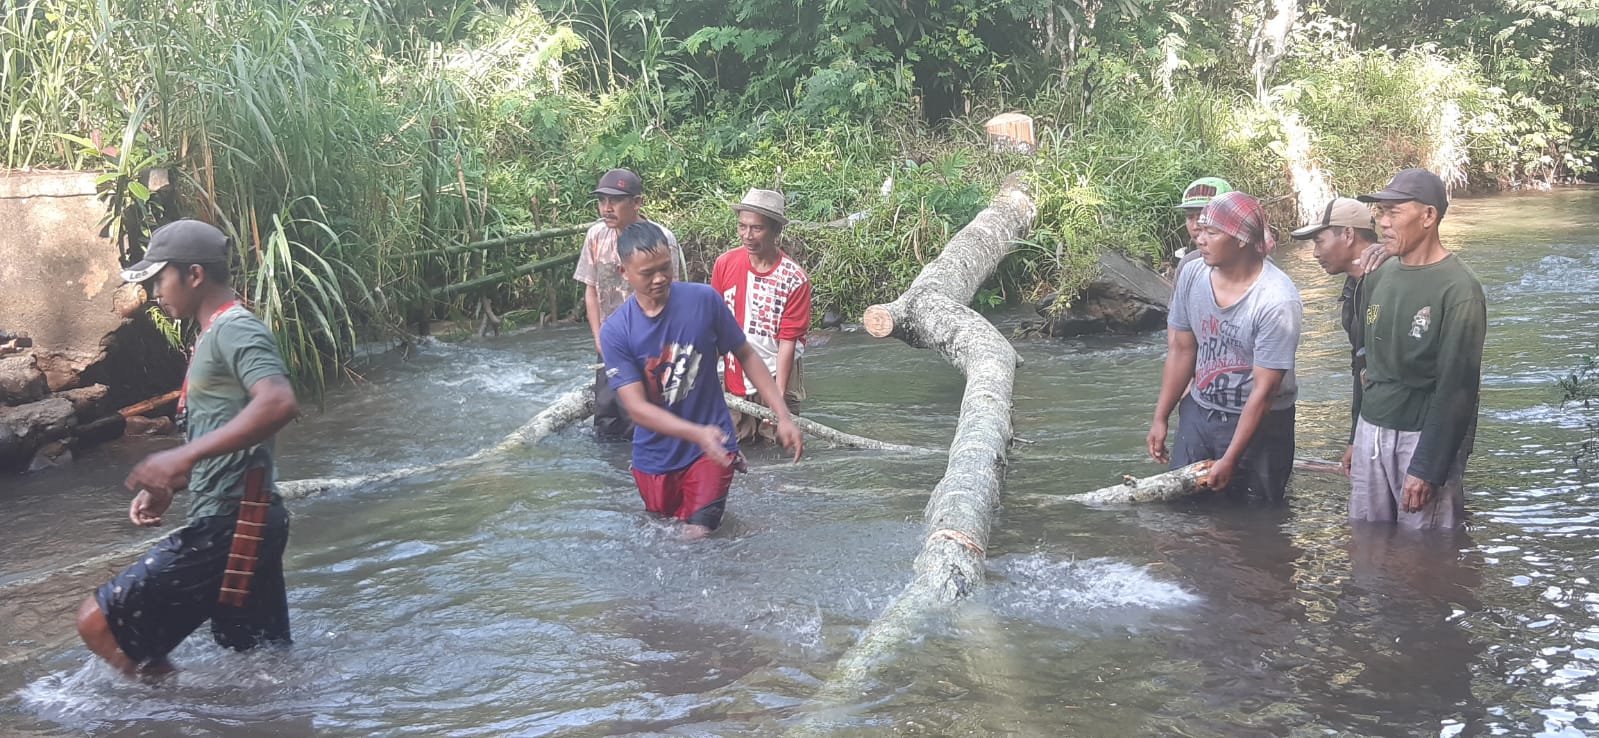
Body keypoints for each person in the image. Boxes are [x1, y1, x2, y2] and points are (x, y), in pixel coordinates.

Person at [76, 220, 300, 677]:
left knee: (98, 623)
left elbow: (278, 402)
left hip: (232, 524)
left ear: (194, 275)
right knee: (256, 663)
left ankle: (167, 716)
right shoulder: (213, 335)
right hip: (248, 521)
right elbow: (223, 432)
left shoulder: (235, 329)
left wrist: (183, 456)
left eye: (161, 277)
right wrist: (175, 481)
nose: (156, 290)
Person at [601, 221, 804, 538]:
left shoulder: (704, 301)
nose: (660, 279)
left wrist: (783, 414)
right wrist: (697, 433)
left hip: (713, 447)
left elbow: (746, 354)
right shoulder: (616, 331)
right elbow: (637, 409)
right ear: (623, 272)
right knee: (664, 538)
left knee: (698, 535)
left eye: (665, 268)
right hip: (655, 457)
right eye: (647, 273)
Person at [1350, 168, 1486, 529]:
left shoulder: (1459, 290)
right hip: (1372, 428)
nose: (1382, 223)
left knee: (1426, 554)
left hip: (1420, 433)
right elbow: (1362, 362)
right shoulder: (1377, 275)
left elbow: (1458, 387)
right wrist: (1354, 436)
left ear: (1429, 216)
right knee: (1366, 539)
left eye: (1394, 212)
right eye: (1380, 212)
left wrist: (1428, 467)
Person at [1147, 191, 1303, 503]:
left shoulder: (1276, 299)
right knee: (1180, 512)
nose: (1199, 240)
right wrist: (1161, 416)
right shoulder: (1192, 273)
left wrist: (1231, 458)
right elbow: (1181, 349)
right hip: (1201, 410)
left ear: (1242, 240)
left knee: (1255, 522)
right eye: (1199, 230)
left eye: (1212, 232)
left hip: (1263, 424)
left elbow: (1265, 392)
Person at [572, 168, 687, 441]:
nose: (606, 208)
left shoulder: (660, 239)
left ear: (637, 203)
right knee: (608, 417)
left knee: (644, 419)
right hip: (611, 338)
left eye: (615, 201)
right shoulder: (596, 236)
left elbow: (674, 293)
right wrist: (599, 338)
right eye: (602, 201)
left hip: (650, 340)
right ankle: (614, 481)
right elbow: (591, 289)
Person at [710, 189, 813, 444]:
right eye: (742, 227)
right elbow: (713, 325)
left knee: (777, 447)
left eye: (756, 228)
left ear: (776, 231)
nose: (747, 236)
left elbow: (788, 341)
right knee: (736, 445)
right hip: (735, 372)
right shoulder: (725, 264)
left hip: (780, 373)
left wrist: (777, 399)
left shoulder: (794, 279)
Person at [1289, 197, 1382, 474]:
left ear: (1349, 234)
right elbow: (1360, 368)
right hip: (1375, 426)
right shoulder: (1354, 287)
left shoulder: (1387, 282)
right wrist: (1356, 437)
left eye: (1319, 241)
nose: (1315, 253)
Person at [1172, 176, 1234, 270]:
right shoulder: (1188, 265)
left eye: (1203, 217)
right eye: (1190, 217)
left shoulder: (1256, 266)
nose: (1195, 226)